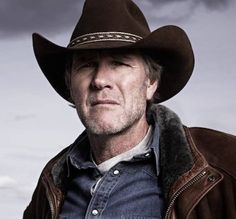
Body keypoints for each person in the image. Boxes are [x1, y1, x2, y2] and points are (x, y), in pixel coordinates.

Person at [23, 0, 236, 218]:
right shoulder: (52, 181)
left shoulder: (225, 166)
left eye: (119, 63)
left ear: (151, 82)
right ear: (70, 84)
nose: (100, 80)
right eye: (86, 64)